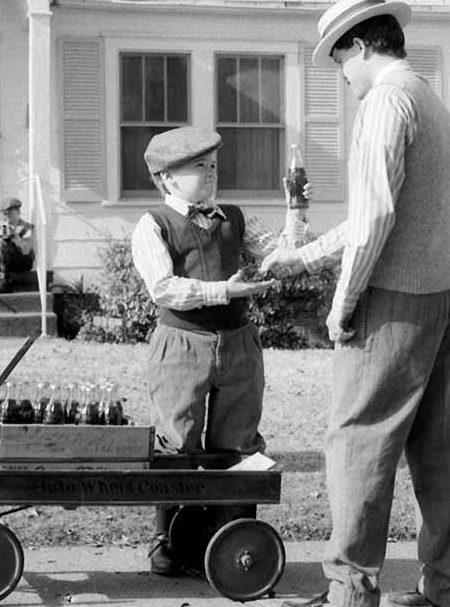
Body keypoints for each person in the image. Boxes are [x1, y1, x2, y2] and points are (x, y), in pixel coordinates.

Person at [261, 0, 450, 607]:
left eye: (340, 61)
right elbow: (382, 214)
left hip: (397, 301)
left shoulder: (384, 102)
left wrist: (343, 301)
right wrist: (300, 255)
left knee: (357, 446)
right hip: (444, 291)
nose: (343, 76)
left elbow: (376, 214)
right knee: (436, 450)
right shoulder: (428, 97)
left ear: (359, 45)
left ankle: (350, 592)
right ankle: (447, 589)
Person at [130, 125, 309, 576]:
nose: (210, 175)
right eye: (197, 168)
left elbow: (283, 253)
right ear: (167, 179)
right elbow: (163, 289)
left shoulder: (235, 217)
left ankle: (231, 540)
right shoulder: (153, 224)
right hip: (181, 344)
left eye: (212, 166)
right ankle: (168, 542)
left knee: (239, 442)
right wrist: (222, 291)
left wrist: (296, 209)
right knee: (178, 442)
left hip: (239, 342)